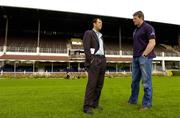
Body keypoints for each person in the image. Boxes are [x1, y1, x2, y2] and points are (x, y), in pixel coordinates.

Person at [128, 11, 156, 111]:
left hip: (145, 58)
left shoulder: (148, 27)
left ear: (140, 18)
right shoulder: (135, 30)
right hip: (135, 58)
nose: (133, 20)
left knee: (146, 82)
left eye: (135, 18)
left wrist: (144, 55)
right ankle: (133, 100)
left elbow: (152, 43)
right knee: (134, 81)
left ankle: (147, 104)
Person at [83, 18, 106, 115]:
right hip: (94, 59)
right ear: (94, 23)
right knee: (92, 84)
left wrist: (104, 59)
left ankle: (94, 104)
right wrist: (91, 60)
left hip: (102, 60)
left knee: (99, 84)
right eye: (99, 22)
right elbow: (86, 47)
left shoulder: (101, 36)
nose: (101, 24)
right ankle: (87, 106)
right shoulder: (89, 33)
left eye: (101, 23)